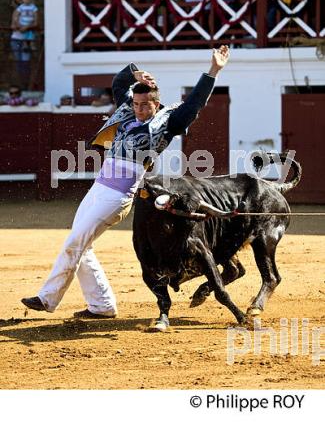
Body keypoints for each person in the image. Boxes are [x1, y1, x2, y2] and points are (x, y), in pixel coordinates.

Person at [21, 46, 231, 319]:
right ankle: (102, 305)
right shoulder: (128, 112)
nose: (140, 110)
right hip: (98, 189)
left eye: (146, 105)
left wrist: (214, 70)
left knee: (74, 243)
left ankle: (47, 299)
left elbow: (194, 103)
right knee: (81, 247)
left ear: (157, 104)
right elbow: (119, 82)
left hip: (117, 196)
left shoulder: (168, 122)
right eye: (136, 104)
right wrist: (135, 71)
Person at [10, 0, 38, 82]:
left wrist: (27, 27)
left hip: (27, 39)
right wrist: (18, 26)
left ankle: (26, 81)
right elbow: (13, 25)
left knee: (26, 61)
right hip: (16, 38)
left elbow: (36, 23)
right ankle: (20, 82)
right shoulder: (18, 9)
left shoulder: (33, 8)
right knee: (18, 61)